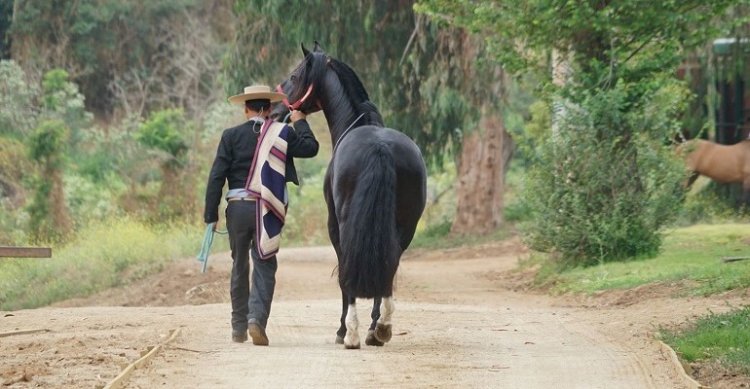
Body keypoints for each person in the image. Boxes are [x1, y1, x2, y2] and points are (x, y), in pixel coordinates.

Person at [204, 85, 319, 345]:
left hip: (238, 209)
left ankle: (238, 328)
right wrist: (300, 121)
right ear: (268, 109)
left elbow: (216, 177)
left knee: (239, 265)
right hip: (266, 209)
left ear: (246, 109)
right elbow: (311, 148)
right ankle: (257, 320)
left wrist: (210, 215)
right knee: (265, 263)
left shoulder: (230, 136)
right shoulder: (283, 133)